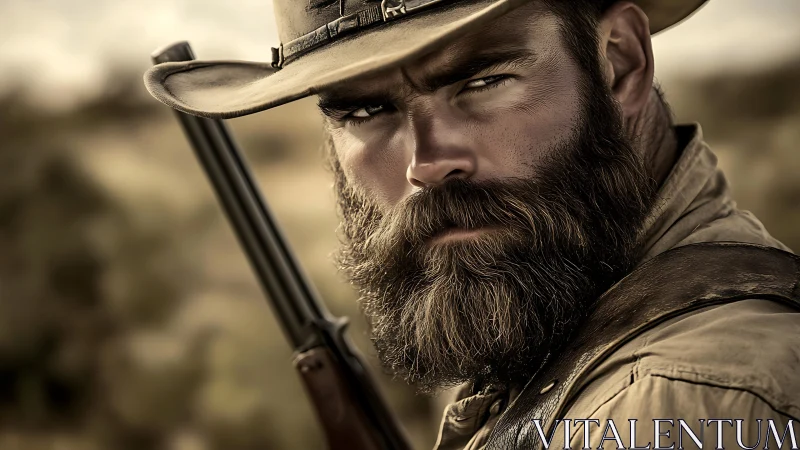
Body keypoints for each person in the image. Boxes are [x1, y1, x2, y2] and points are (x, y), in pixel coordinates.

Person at [145, 0, 800, 448]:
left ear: (620, 63)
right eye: (363, 111)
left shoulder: (691, 403)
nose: (428, 163)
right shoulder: (550, 320)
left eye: (483, 81)